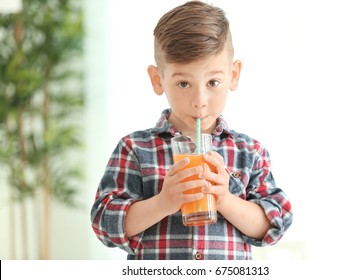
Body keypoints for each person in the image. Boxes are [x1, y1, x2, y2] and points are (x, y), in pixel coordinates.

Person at [90, 0, 293, 260]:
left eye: (213, 82)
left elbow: (275, 222)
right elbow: (103, 222)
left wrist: (225, 200)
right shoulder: (135, 149)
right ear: (157, 79)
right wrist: (163, 202)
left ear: (234, 75)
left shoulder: (249, 152)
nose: (200, 100)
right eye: (184, 83)